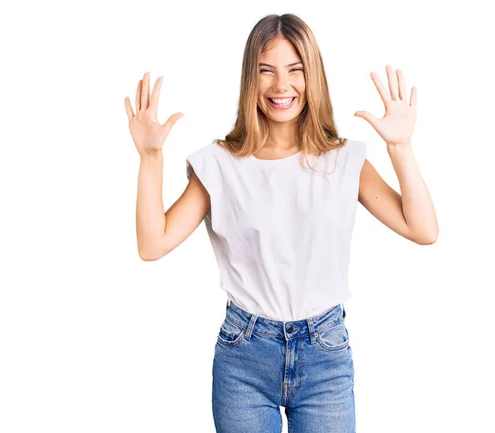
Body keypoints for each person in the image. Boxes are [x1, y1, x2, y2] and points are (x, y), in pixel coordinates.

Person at [125, 13, 438, 433]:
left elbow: (423, 230)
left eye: (295, 70)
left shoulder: (344, 160)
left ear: (313, 77)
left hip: (325, 353)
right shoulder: (219, 164)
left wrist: (400, 146)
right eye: (266, 71)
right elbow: (153, 244)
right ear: (249, 80)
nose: (281, 86)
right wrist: (150, 158)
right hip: (244, 357)